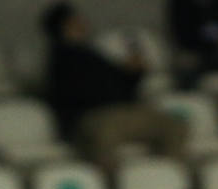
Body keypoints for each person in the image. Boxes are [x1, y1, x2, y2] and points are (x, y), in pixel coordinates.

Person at [42, 2, 187, 170]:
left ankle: (167, 176)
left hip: (124, 111)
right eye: (76, 20)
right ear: (65, 25)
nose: (83, 23)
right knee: (104, 136)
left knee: (175, 126)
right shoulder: (59, 60)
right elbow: (74, 96)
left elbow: (120, 82)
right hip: (96, 117)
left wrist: (134, 73)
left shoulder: (92, 54)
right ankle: (112, 187)